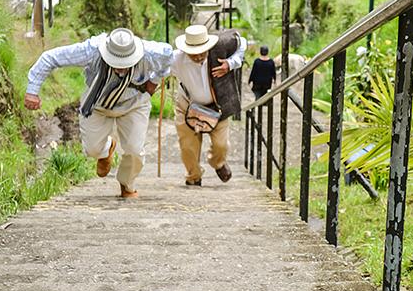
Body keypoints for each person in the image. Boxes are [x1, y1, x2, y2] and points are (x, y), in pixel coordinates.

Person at [24, 28, 173, 198]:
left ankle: (127, 184)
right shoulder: (91, 50)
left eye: (125, 64)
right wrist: (32, 91)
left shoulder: (152, 53)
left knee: (134, 149)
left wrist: (154, 81)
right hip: (97, 103)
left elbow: (169, 58)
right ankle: (106, 149)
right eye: (116, 63)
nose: (121, 70)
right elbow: (50, 57)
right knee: (92, 150)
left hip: (134, 103)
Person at [171, 25, 246, 186]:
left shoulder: (220, 47)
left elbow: (242, 42)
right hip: (187, 105)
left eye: (202, 52)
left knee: (221, 144)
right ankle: (194, 176)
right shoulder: (176, 58)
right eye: (194, 53)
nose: (198, 56)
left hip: (217, 106)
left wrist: (231, 63)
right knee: (187, 146)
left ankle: (218, 163)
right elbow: (158, 65)